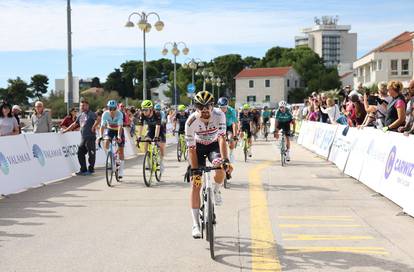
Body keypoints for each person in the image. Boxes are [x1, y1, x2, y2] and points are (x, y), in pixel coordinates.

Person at [185, 91, 233, 238]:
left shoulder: (220, 115)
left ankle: (217, 189)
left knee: (220, 167)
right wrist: (194, 170)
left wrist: (225, 159)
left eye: (208, 106)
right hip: (197, 149)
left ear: (213, 106)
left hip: (213, 146)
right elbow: (191, 149)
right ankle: (195, 224)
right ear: (195, 108)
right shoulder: (190, 122)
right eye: (201, 107)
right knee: (196, 184)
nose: (205, 110)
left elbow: (222, 138)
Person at [63, 99, 98, 175]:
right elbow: (74, 124)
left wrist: (93, 127)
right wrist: (66, 130)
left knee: (91, 154)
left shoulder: (91, 114)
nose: (82, 107)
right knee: (80, 153)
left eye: (83, 105)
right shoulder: (80, 115)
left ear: (87, 106)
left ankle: (91, 170)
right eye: (81, 105)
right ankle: (83, 169)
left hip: (90, 137)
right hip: (83, 138)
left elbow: (98, 119)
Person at [136, 100, 166, 173]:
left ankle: (161, 162)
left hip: (160, 129)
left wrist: (156, 137)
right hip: (151, 129)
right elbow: (140, 126)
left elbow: (158, 126)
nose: (144, 111)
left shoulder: (157, 114)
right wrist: (139, 136)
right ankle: (148, 160)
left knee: (161, 145)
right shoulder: (142, 114)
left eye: (146, 109)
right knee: (146, 142)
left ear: (151, 109)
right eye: (143, 109)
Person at [98, 100, 126, 179]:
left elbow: (120, 126)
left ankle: (121, 170)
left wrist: (119, 136)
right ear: (108, 108)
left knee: (121, 151)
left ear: (116, 108)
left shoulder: (120, 114)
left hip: (118, 130)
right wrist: (100, 135)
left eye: (114, 108)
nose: (112, 110)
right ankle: (110, 158)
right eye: (110, 108)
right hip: (110, 130)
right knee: (106, 142)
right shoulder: (105, 114)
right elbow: (102, 126)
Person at [217, 97, 238, 163]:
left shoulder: (232, 111)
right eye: (221, 107)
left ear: (227, 106)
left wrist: (235, 135)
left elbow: (234, 123)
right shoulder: (216, 111)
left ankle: (231, 154)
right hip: (219, 126)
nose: (223, 109)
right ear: (218, 107)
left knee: (230, 139)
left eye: (225, 107)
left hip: (228, 126)